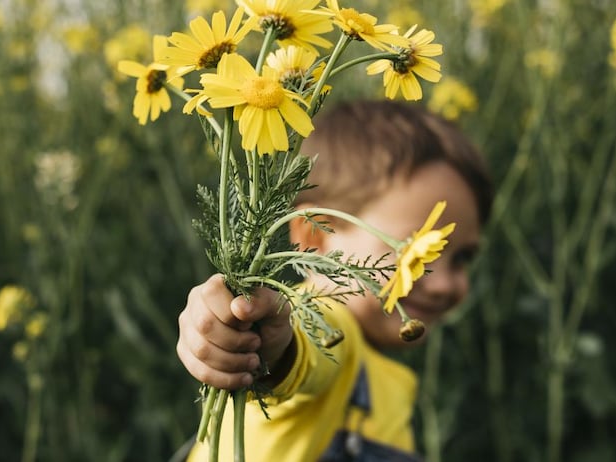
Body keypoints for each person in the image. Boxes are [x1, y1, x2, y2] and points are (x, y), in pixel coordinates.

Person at [175, 100, 494, 461]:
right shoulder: (333, 327)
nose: (443, 284)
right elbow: (310, 343)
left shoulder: (383, 378)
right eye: (414, 252)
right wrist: (272, 348)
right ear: (315, 236)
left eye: (462, 258)